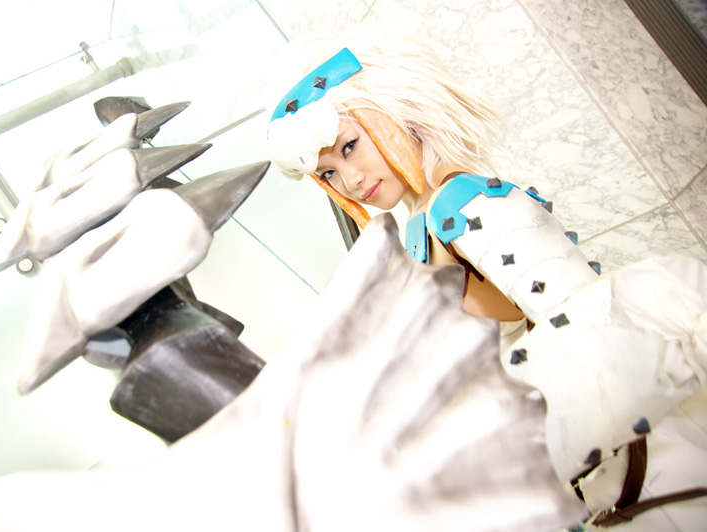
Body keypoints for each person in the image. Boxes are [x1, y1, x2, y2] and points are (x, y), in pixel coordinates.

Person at [267, 31, 707, 530]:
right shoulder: (421, 230)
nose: (350, 180)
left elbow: (604, 342)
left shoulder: (465, 206)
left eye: (350, 146)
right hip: (601, 490)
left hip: (649, 477)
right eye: (328, 174)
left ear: (391, 116)